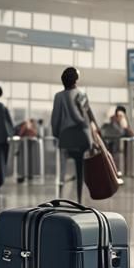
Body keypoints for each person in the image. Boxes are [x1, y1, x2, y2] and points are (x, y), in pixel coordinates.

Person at [51, 67, 92, 204]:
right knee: (80, 169)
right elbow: (87, 119)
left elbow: (55, 119)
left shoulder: (59, 96)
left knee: (63, 170)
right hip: (81, 136)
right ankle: (80, 198)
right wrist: (91, 139)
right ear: (76, 80)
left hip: (66, 137)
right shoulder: (81, 94)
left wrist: (57, 134)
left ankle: (61, 197)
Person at [15, 117, 38, 183]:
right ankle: (24, 175)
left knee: (26, 160)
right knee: (25, 160)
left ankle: (27, 175)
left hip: (26, 145)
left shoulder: (30, 126)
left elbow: (21, 133)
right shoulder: (26, 125)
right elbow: (21, 133)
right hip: (25, 145)